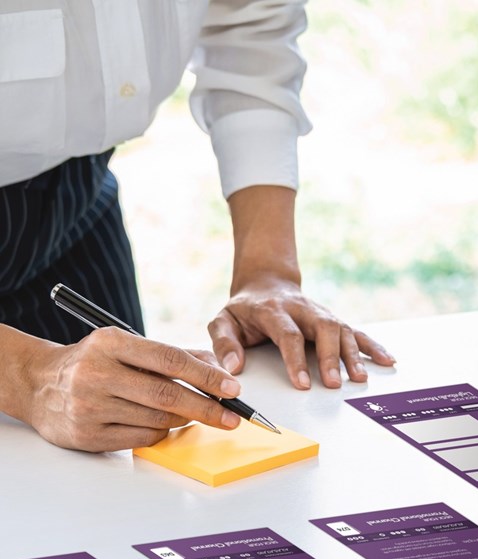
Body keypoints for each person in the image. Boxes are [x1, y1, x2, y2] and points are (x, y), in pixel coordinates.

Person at [0, 1, 394, 453]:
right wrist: (27, 377)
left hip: (72, 202)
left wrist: (268, 271)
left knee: (120, 477)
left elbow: (248, 25)